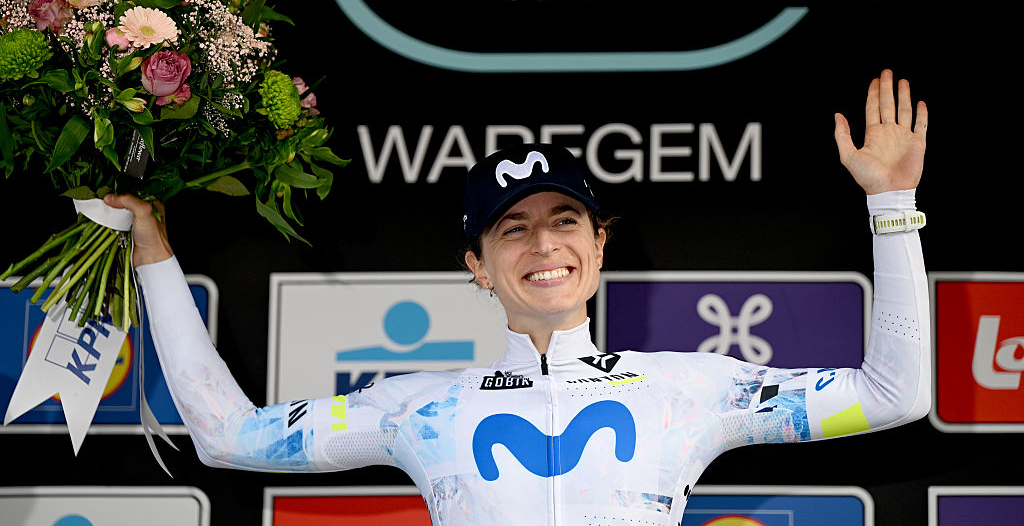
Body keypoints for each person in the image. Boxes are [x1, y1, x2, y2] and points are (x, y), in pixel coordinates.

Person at [107, 69, 929, 525]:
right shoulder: (416, 408)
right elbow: (223, 437)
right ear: (477, 264)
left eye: (566, 218)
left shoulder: (692, 389)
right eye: (513, 229)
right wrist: (152, 250)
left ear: (599, 244)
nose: (543, 243)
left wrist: (891, 207)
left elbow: (895, 394)